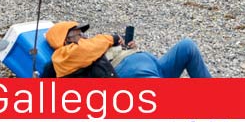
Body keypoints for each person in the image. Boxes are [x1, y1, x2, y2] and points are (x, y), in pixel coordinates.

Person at [43, 21, 211, 78]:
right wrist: (112, 38)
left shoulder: (89, 46)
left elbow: (90, 48)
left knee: (187, 46)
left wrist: (127, 48)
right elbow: (85, 51)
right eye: (78, 34)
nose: (84, 37)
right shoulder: (63, 54)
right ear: (64, 39)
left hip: (153, 66)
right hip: (133, 73)